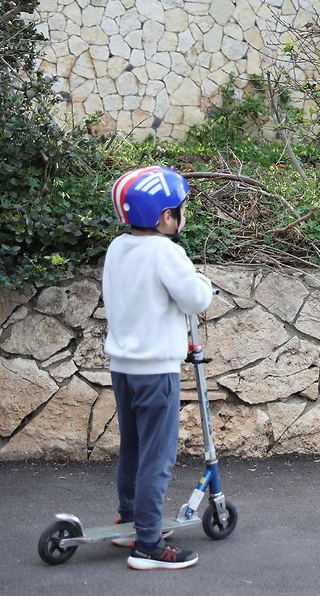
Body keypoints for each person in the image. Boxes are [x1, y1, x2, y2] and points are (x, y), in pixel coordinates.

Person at [102, 166, 213, 570]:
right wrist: (200, 278)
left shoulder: (118, 248)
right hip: (156, 371)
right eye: (180, 209)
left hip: (123, 368)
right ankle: (148, 545)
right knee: (159, 455)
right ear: (166, 217)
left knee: (134, 446)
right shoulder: (167, 252)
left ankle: (132, 519)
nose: (183, 215)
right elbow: (197, 299)